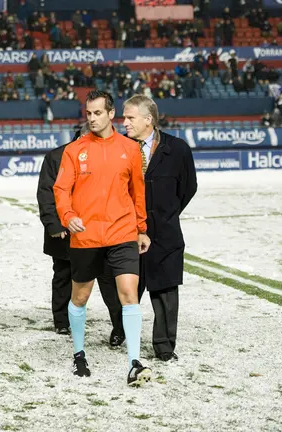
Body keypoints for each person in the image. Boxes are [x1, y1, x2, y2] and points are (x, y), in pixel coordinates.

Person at [53, 90, 152, 385]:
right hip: (86, 236)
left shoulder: (131, 149)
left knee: (128, 293)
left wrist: (142, 227)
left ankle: (134, 361)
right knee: (80, 297)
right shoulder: (74, 150)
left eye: (98, 113)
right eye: (89, 114)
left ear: (111, 114)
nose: (93, 118)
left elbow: (137, 191)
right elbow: (60, 190)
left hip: (122, 232)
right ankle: (79, 354)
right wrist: (69, 217)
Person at [121, 95, 197, 362]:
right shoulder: (119, 147)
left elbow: (188, 189)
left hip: (165, 232)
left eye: (130, 118)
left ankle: (164, 346)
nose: (125, 122)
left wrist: (164, 214)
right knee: (125, 287)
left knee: (165, 290)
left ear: (148, 119)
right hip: (126, 231)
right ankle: (121, 332)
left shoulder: (177, 149)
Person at [37, 124, 126, 338]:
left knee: (108, 280)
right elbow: (46, 193)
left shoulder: (109, 155)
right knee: (63, 276)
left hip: (102, 231)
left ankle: (119, 326)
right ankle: (62, 321)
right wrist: (55, 225)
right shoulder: (57, 156)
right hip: (65, 232)